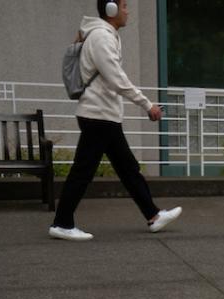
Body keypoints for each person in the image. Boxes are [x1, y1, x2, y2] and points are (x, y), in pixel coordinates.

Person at [49, 0, 181, 241]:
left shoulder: (105, 35)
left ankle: (153, 215)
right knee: (83, 171)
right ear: (111, 10)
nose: (127, 11)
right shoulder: (101, 37)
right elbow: (116, 79)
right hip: (97, 115)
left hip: (104, 115)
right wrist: (146, 104)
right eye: (124, 6)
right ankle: (62, 223)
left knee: (127, 168)